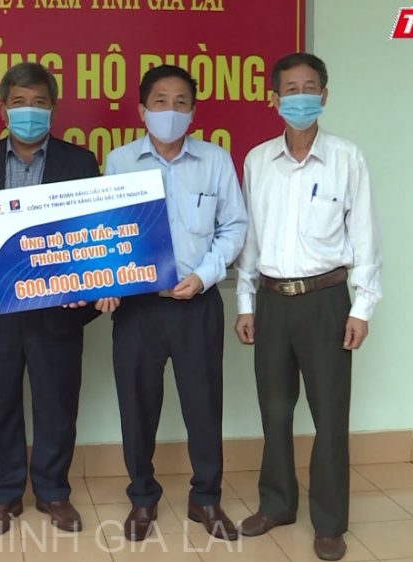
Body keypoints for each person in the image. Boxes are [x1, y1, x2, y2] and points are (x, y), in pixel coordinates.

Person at [234, 52, 382, 561]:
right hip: (272, 303)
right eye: (290, 90)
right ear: (274, 99)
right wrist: (245, 302)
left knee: (329, 417)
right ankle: (277, 504)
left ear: (324, 95)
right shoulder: (257, 161)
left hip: (326, 303)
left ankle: (329, 522)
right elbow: (251, 240)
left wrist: (362, 308)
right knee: (274, 413)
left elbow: (365, 237)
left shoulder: (347, 158)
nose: (300, 98)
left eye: (309, 88)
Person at [0, 62, 100, 536]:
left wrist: (85, 285)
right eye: (19, 102)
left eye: (38, 102)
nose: (28, 111)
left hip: (56, 304)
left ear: (53, 108)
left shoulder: (79, 162)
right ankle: (4, 493)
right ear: (3, 109)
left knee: (57, 402)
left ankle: (53, 491)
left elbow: (94, 232)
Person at [100, 64, 248, 542]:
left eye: (180, 102)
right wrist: (106, 278)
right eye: (160, 101)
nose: (170, 110)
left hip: (197, 303)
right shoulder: (120, 162)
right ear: (142, 110)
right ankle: (142, 497)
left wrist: (205, 276)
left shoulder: (215, 160)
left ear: (193, 112)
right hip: (138, 308)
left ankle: (206, 498)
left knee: (204, 407)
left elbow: (234, 227)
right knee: (137, 407)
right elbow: (106, 232)